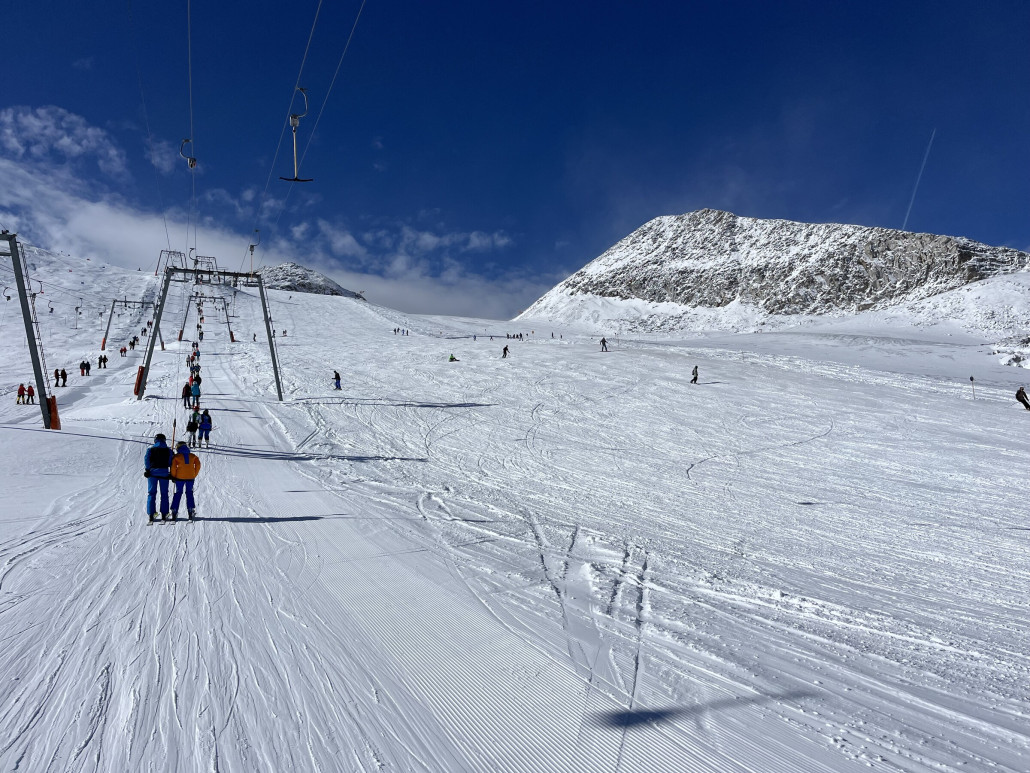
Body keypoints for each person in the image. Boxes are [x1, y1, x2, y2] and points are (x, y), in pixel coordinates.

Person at [144, 433, 173, 521]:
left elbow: (146, 459)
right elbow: (170, 462)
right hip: (164, 473)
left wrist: (147, 470)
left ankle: (151, 514)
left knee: (151, 493)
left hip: (152, 473)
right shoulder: (168, 450)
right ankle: (164, 513)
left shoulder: (150, 449)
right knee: (164, 493)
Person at [170, 441, 201, 520]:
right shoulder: (193, 456)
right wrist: (194, 474)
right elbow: (198, 464)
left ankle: (174, 511)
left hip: (179, 478)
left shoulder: (177, 457)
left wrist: (173, 476)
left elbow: (173, 468)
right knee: (189, 493)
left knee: (178, 493)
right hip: (190, 477)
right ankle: (190, 510)